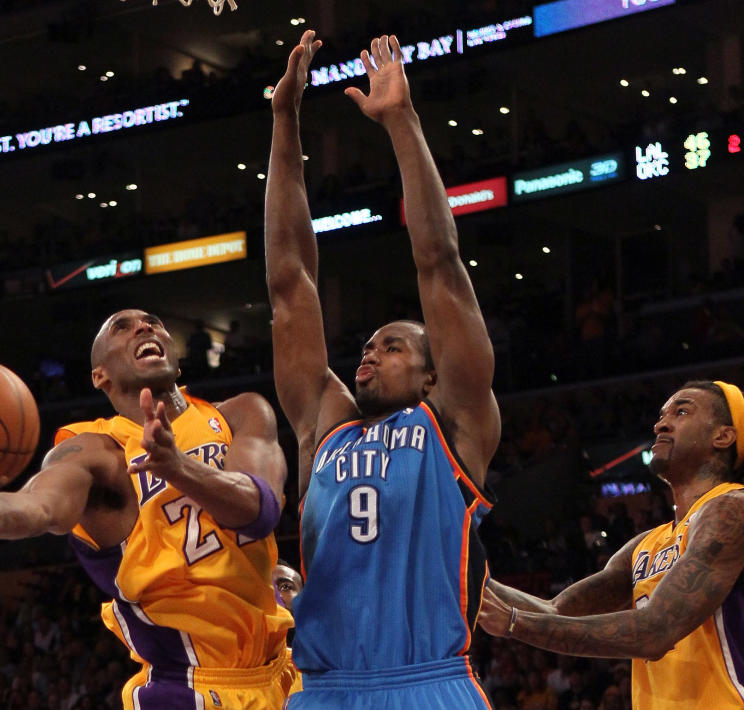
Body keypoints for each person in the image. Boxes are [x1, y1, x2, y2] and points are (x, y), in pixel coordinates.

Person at [265, 31, 500, 708]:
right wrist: (286, 122)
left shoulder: (453, 419)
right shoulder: (324, 423)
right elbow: (290, 283)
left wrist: (402, 122)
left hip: (427, 685)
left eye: (393, 345)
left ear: (432, 375)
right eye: (367, 344)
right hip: (323, 689)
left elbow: (440, 264)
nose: (369, 353)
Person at [0, 308, 295, 710]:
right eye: (121, 328)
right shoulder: (95, 451)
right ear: (100, 376)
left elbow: (258, 511)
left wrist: (178, 467)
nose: (144, 326)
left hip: (285, 673)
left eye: (152, 322)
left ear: (174, 358)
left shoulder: (241, 413)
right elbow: (37, 508)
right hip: (187, 688)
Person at [479, 380, 744, 710]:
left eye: (682, 411)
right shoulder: (644, 545)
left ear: (723, 436)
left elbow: (656, 629)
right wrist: (465, 574)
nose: (661, 423)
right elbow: (556, 609)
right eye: (662, 415)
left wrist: (515, 624)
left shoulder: (733, 509)